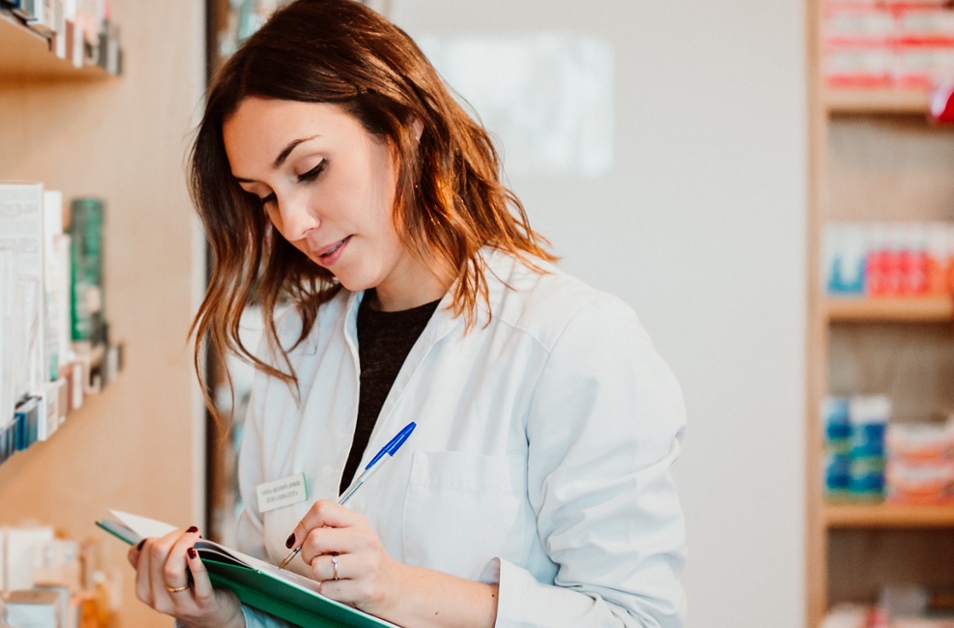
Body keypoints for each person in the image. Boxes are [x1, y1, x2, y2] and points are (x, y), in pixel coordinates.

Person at [127, 0, 687, 625]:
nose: (292, 223)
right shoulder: (296, 347)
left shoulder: (572, 342)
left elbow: (637, 618)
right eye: (264, 197)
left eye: (310, 170)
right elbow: (282, 598)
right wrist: (220, 614)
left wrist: (399, 589)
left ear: (405, 126)